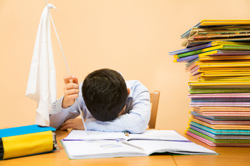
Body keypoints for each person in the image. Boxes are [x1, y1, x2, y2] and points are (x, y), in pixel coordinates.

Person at [49, 68, 151, 134]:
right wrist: (64, 105)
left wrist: (87, 124)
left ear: (127, 93)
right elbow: (50, 124)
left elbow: (138, 123)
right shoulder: (85, 91)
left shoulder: (138, 90)